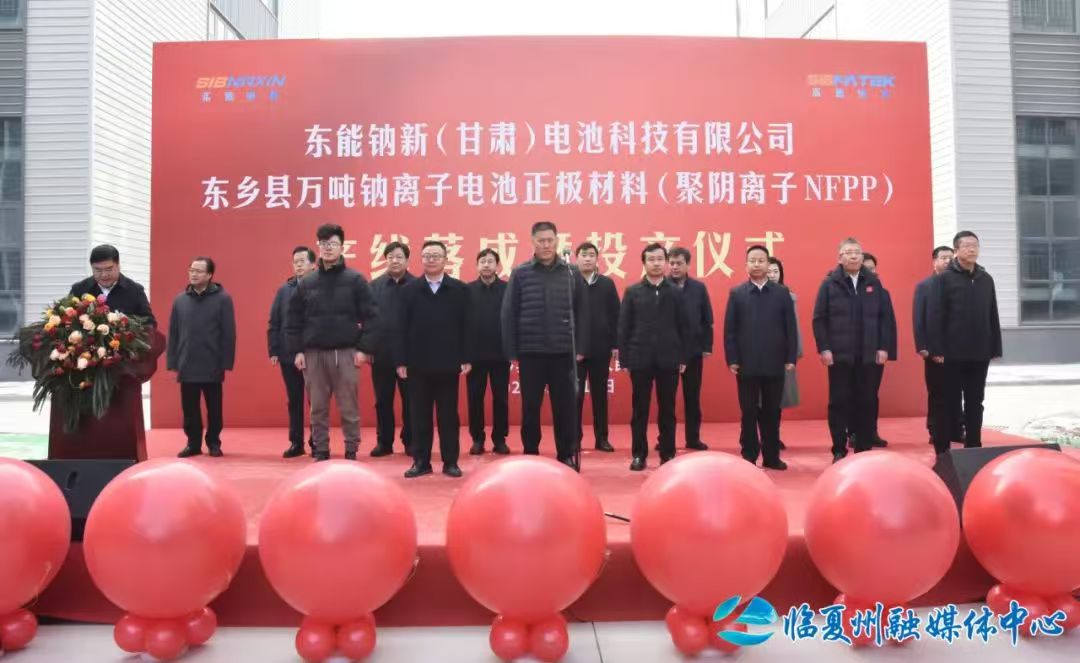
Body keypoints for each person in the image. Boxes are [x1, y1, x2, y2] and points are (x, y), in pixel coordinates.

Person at [286, 223, 378, 461]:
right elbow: (293, 319)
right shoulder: (307, 282)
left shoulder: (355, 280)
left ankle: (351, 448)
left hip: (346, 352)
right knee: (317, 408)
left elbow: (372, 317)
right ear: (319, 246)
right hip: (313, 354)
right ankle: (321, 449)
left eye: (333, 243)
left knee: (348, 406)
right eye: (323, 243)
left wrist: (364, 349)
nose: (328, 248)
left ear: (342, 247)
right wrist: (297, 351)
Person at [501, 221, 589, 470]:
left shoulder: (571, 272)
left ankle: (566, 453)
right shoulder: (521, 273)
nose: (546, 245)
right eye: (541, 241)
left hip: (564, 352)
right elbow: (508, 313)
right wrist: (511, 351)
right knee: (531, 407)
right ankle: (531, 452)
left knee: (565, 408)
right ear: (533, 242)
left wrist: (581, 347)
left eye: (550, 240)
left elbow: (583, 312)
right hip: (532, 352)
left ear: (557, 241)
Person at [812, 238, 895, 463]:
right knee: (839, 402)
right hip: (839, 356)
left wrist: (883, 347)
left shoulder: (873, 283)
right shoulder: (829, 284)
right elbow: (819, 319)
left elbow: (885, 318)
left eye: (857, 252)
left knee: (866, 401)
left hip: (869, 355)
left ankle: (863, 448)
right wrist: (824, 348)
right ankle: (839, 449)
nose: (854, 256)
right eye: (848, 252)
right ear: (840, 258)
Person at [395, 240, 471, 478]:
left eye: (436, 255)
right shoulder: (409, 290)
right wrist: (401, 361)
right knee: (419, 416)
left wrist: (466, 357)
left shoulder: (459, 289)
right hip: (417, 364)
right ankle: (421, 461)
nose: (431, 259)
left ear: (446, 259)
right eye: (427, 255)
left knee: (449, 416)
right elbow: (400, 328)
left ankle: (451, 462)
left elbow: (468, 327)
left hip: (448, 364)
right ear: (421, 259)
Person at [928, 231, 1002, 454]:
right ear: (956, 250)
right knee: (947, 403)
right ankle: (943, 450)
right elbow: (935, 316)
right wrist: (936, 349)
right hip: (951, 353)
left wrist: (995, 346)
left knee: (975, 402)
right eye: (967, 245)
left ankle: (973, 447)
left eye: (975, 245)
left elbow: (992, 314)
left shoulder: (985, 279)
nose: (972, 249)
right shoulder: (944, 279)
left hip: (979, 353)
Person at [724, 246, 797, 470]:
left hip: (775, 362)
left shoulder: (781, 293)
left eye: (761, 260)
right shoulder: (737, 294)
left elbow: (790, 328)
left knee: (772, 413)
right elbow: (730, 330)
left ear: (768, 264)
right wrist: (732, 358)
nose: (757, 264)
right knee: (748, 412)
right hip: (746, 364)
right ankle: (749, 454)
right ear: (746, 265)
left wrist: (790, 357)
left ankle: (771, 456)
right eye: (752, 260)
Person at [619, 243, 687, 471]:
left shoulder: (676, 292)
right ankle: (639, 454)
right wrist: (625, 359)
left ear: (665, 262)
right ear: (644, 263)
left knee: (668, 409)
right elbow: (624, 327)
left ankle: (668, 454)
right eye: (651, 259)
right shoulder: (633, 292)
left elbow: (684, 327)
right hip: (640, 359)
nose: (656, 263)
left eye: (660, 259)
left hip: (669, 359)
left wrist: (683, 357)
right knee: (640, 410)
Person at [167, 257, 236, 458]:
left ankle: (213, 442)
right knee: (189, 408)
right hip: (187, 362)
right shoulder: (180, 300)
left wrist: (225, 362)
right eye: (191, 270)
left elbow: (229, 333)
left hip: (212, 362)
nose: (193, 274)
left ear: (209, 275)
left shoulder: (222, 299)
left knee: (214, 408)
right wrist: (173, 360)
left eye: (198, 271)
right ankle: (193, 443)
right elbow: (174, 333)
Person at [268, 246, 317, 458]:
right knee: (294, 400)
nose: (298, 265)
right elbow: (274, 322)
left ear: (313, 264)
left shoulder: (321, 288)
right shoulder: (284, 291)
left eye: (302, 261)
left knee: (316, 401)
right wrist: (274, 350)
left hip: (314, 353)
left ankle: (317, 442)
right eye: (295, 261)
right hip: (288, 354)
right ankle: (296, 442)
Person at [368, 241, 416, 457]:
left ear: (407, 260)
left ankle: (411, 441)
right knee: (382, 401)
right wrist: (368, 348)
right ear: (385, 260)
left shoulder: (417, 286)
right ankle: (384, 442)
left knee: (411, 402)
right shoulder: (374, 286)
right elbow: (367, 321)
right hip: (382, 354)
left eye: (399, 257)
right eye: (390, 257)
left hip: (410, 356)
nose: (395, 261)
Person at [914, 245, 964, 446]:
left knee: (957, 391)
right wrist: (923, 345)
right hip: (934, 349)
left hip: (957, 349)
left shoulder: (959, 284)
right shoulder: (925, 286)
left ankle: (956, 429)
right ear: (934, 262)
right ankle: (935, 430)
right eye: (943, 257)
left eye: (951, 257)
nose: (947, 261)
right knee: (937, 393)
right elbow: (919, 318)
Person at [574, 241, 619, 453]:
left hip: (601, 348)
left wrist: (615, 344)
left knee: (600, 395)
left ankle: (602, 438)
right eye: (584, 254)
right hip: (575, 351)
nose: (588, 258)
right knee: (575, 397)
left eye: (591, 255)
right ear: (576, 258)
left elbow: (616, 315)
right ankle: (574, 438)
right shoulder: (569, 282)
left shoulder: (607, 284)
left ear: (597, 259)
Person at [666, 247, 713, 451]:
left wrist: (707, 346)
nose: (675, 267)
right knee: (667, 400)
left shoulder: (698, 288)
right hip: (668, 352)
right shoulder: (662, 286)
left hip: (693, 351)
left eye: (679, 263)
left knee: (692, 398)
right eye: (672, 263)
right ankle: (665, 439)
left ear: (688, 265)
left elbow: (707, 319)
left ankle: (693, 439)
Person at [466, 249, 511, 456]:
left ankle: (500, 439)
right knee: (475, 398)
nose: (486, 265)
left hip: (501, 354)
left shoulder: (507, 289)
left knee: (501, 398)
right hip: (474, 356)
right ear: (477, 265)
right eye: (482, 261)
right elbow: (461, 323)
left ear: (497, 266)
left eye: (490, 261)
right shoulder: (467, 290)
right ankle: (477, 438)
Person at [858, 252, 896, 449]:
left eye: (872, 268)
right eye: (865, 268)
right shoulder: (851, 291)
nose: (869, 271)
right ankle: (854, 432)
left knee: (871, 394)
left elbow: (887, 323)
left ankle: (871, 432)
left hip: (874, 353)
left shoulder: (882, 292)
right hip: (853, 352)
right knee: (853, 394)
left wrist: (885, 348)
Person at [71, 244, 156, 326]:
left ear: (118, 266)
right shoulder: (79, 289)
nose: (104, 275)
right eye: (98, 270)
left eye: (109, 269)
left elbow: (149, 324)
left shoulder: (135, 291)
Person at [766, 257, 801, 450]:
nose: (772, 275)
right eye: (769, 271)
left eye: (775, 271)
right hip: (760, 355)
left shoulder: (788, 296)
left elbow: (794, 328)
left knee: (777, 400)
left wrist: (793, 354)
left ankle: (773, 435)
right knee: (759, 401)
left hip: (782, 356)